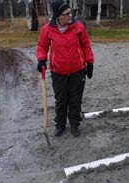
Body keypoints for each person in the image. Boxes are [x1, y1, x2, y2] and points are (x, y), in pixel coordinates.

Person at [37, 0, 94, 137]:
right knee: (61, 100)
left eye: (71, 12)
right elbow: (42, 47)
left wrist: (90, 62)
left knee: (75, 100)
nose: (70, 15)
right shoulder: (47, 30)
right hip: (58, 71)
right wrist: (41, 60)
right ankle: (60, 125)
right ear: (58, 16)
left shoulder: (78, 27)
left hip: (77, 70)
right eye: (66, 13)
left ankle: (75, 124)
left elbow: (86, 46)